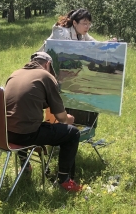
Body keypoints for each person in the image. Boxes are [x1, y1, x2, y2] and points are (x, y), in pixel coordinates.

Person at [4, 51, 82, 192]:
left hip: (5, 134)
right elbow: (61, 118)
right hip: (26, 136)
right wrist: (68, 119)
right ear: (48, 64)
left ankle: (25, 165)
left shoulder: (15, 74)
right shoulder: (45, 76)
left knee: (20, 120)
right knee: (73, 133)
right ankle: (64, 180)